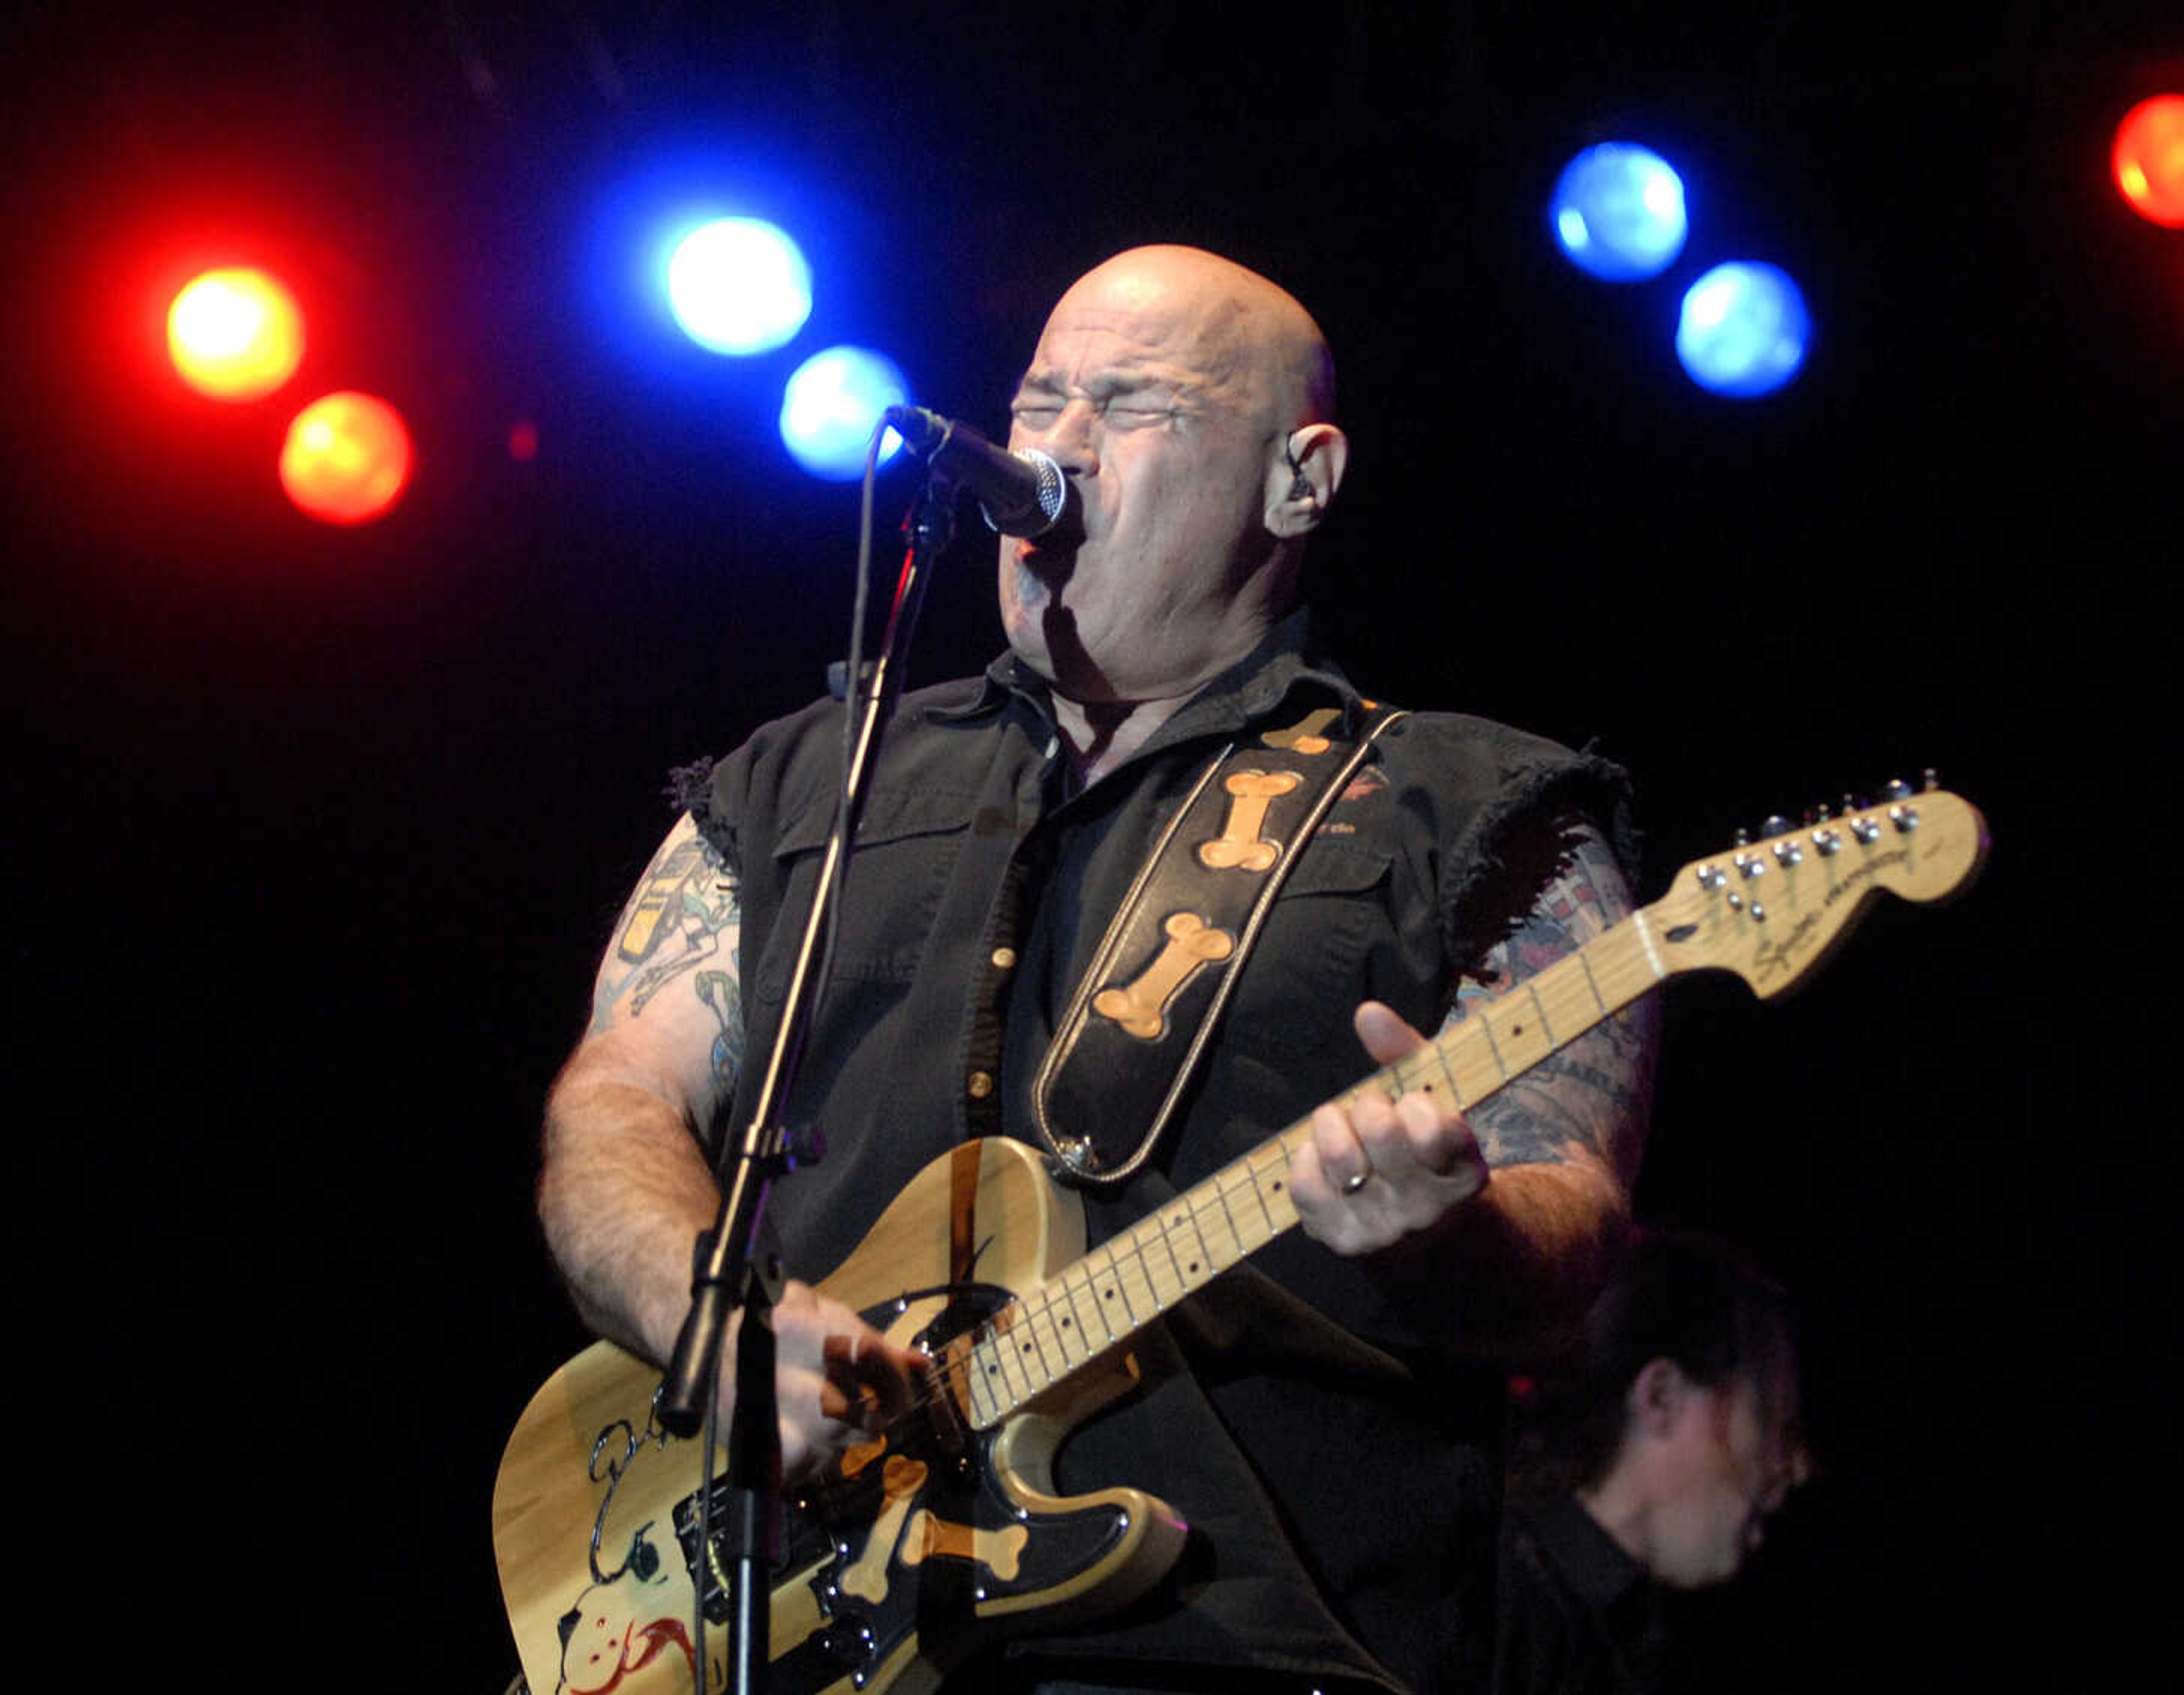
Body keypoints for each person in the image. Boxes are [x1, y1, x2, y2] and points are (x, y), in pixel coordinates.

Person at [535, 244, 1657, 1694]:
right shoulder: (804, 775)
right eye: (1035, 396)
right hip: (805, 1632)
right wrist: (711, 1319)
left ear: (1297, 480)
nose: (1045, 448)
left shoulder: (1469, 806)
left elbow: (1571, 1215)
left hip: (1240, 1638)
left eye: (1128, 405)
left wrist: (1456, 1227)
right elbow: (616, 1098)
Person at [1493, 1228, 1811, 1695]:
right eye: (1772, 1419)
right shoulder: (1495, 1605)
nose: (1796, 1468)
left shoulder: (1624, 1640)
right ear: (1661, 1395)